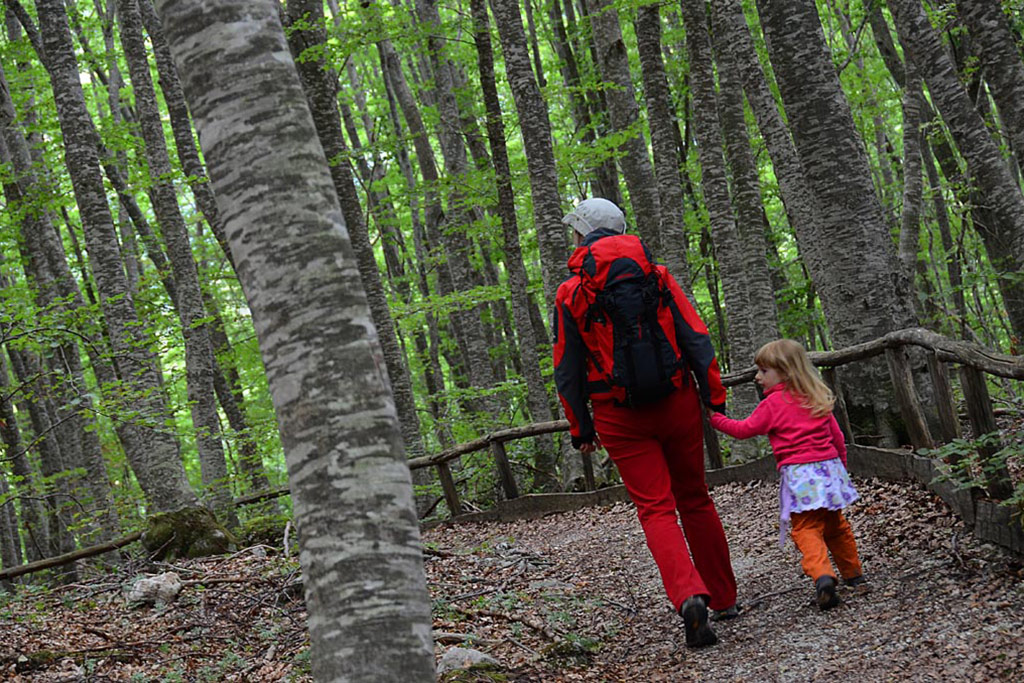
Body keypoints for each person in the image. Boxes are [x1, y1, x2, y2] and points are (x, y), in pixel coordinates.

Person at [552, 198, 737, 648]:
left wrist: (581, 429)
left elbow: (567, 368)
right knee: (695, 498)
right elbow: (696, 336)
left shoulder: (571, 292)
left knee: (656, 508)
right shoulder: (657, 276)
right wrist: (713, 397)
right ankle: (725, 596)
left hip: (618, 415)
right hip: (676, 400)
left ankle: (689, 595)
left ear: (584, 237)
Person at [708, 339, 866, 610]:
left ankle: (823, 576)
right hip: (830, 470)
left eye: (763, 371)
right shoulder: (815, 397)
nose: (757, 377)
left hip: (801, 476)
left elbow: (744, 429)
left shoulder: (773, 404)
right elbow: (837, 438)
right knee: (835, 525)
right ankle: (854, 574)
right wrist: (842, 467)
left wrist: (715, 418)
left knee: (806, 527)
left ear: (786, 371)